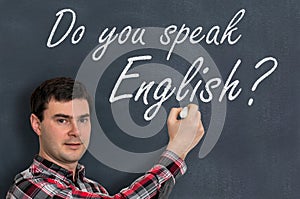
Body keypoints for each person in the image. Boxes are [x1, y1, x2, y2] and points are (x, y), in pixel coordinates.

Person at [6, 77, 205, 199]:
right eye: (62, 120)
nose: (76, 131)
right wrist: (177, 149)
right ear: (36, 124)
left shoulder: (94, 189)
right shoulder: (29, 187)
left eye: (83, 120)